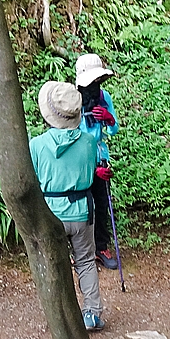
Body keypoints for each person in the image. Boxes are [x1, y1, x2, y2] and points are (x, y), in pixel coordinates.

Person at [30, 81, 104, 330]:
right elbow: (92, 173)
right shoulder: (89, 142)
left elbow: (32, 181)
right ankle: (92, 313)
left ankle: (61, 316)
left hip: (51, 214)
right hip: (82, 212)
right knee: (86, 262)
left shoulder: (37, 145)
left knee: (54, 265)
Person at [76, 54, 120, 270]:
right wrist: (90, 169)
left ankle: (101, 247)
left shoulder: (104, 98)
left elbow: (113, 129)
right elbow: (71, 137)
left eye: (98, 81)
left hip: (100, 157)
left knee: (101, 205)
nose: (95, 85)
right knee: (81, 206)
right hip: (78, 162)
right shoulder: (72, 100)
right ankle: (81, 251)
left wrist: (109, 119)